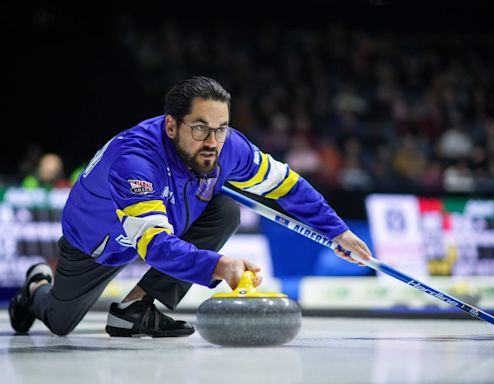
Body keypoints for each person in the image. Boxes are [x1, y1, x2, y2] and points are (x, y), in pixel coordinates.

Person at [9, 76, 372, 337]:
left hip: (169, 215)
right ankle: (37, 286)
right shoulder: (135, 162)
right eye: (200, 128)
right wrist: (218, 265)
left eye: (221, 128)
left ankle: (134, 310)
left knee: (226, 209)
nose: (213, 142)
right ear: (171, 126)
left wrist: (336, 230)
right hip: (98, 240)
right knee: (59, 322)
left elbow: (286, 186)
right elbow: (153, 245)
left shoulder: (228, 146)